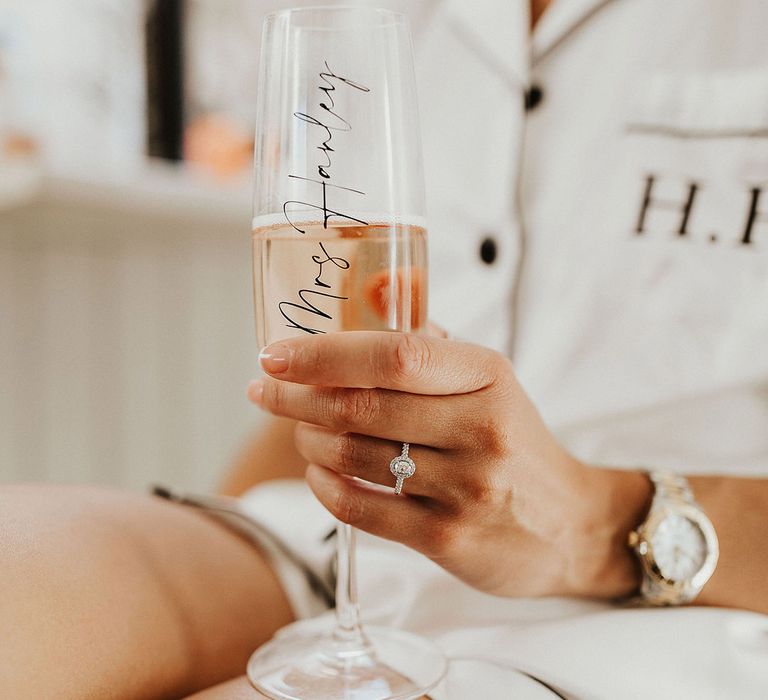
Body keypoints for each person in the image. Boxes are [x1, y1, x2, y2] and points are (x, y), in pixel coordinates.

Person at [3, 0, 768, 697]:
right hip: (343, 542)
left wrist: (591, 524)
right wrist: (194, 568)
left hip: (661, 609)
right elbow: (357, 373)